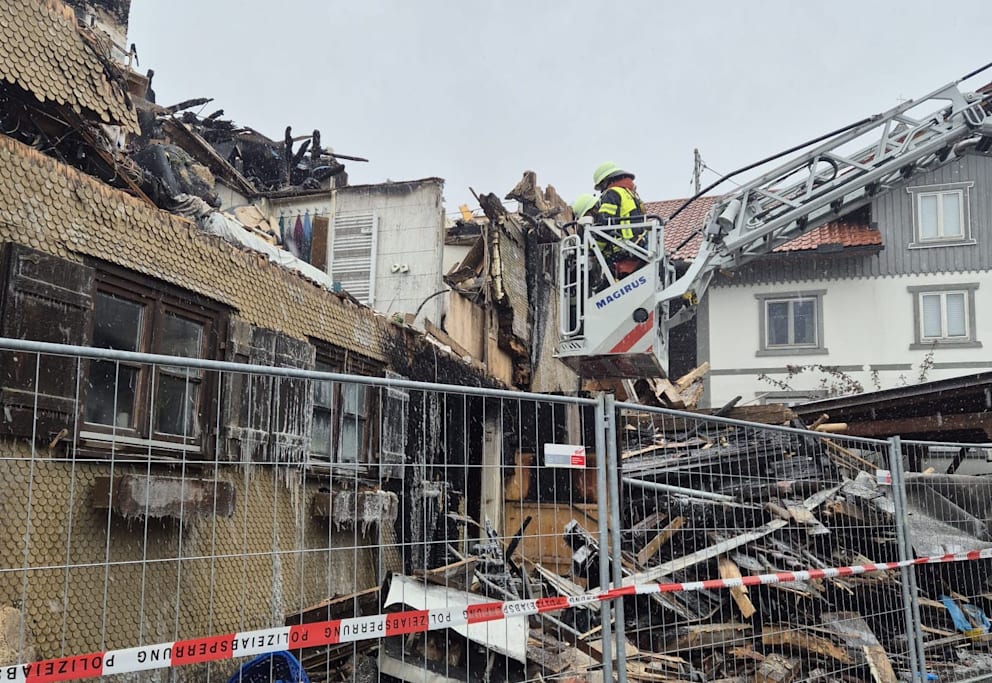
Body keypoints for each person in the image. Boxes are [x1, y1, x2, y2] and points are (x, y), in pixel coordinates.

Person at [591, 162, 648, 278]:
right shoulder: (631, 194)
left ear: (607, 181)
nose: (602, 191)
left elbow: (605, 225)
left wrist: (593, 249)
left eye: (602, 187)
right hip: (639, 245)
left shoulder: (612, 193)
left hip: (625, 247)